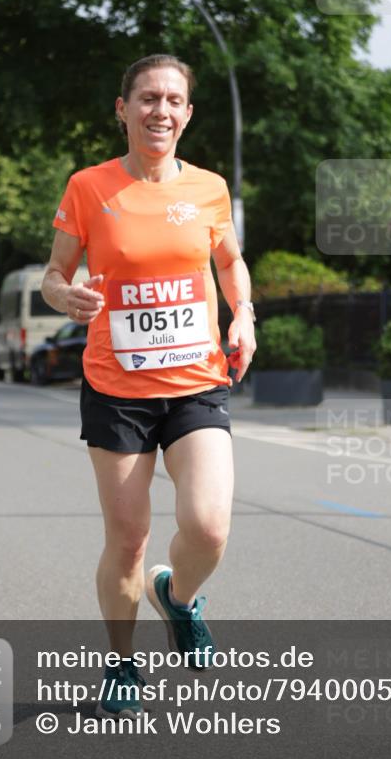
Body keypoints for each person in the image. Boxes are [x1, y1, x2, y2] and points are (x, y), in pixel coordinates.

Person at [42, 54, 256, 718]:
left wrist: (242, 313)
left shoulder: (210, 190)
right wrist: (64, 296)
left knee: (209, 527)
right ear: (122, 108)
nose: (159, 110)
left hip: (196, 382)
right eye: (146, 99)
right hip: (116, 390)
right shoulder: (88, 186)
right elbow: (53, 271)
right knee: (128, 538)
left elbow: (229, 260)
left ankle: (180, 599)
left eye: (172, 100)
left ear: (187, 113)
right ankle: (121, 662)